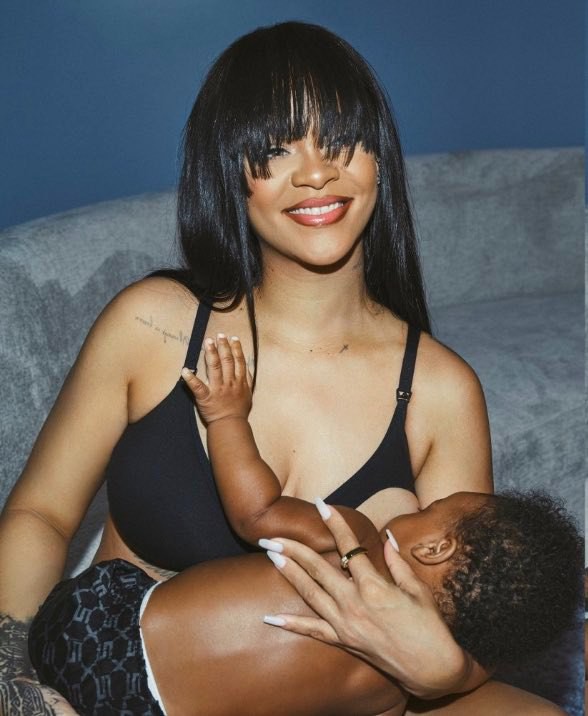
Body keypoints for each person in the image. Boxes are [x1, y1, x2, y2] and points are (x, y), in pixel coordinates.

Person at [0, 20, 566, 715]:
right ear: (230, 174)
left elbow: (477, 605)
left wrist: (444, 673)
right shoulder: (155, 325)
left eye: (340, 141)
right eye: (274, 149)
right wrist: (11, 677)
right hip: (127, 678)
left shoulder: (440, 389)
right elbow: (40, 514)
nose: (315, 173)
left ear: (379, 160)